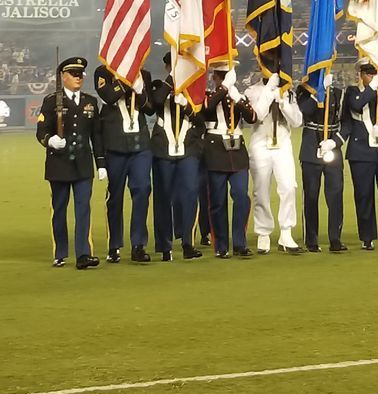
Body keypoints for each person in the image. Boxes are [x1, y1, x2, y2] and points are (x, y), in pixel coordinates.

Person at [36, 56, 106, 269]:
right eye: (74, 74)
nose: (78, 78)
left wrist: (101, 163)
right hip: (59, 164)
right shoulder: (51, 101)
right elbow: (41, 131)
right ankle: (60, 252)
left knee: (83, 209)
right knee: (59, 209)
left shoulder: (90, 102)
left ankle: (84, 254)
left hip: (83, 163)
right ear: (63, 77)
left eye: (80, 74)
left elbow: (97, 135)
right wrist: (50, 141)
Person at [94, 64, 154, 264]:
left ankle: (138, 244)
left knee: (143, 190)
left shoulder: (143, 74)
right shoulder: (103, 73)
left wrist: (141, 91)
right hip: (115, 146)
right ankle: (114, 245)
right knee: (115, 196)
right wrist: (127, 81)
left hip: (141, 145)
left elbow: (150, 108)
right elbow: (109, 96)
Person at [341, 62, 378, 250]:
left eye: (374, 73)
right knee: (364, 195)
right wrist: (371, 88)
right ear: (360, 75)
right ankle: (367, 236)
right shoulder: (353, 92)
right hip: (361, 153)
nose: (371, 76)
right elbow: (358, 105)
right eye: (367, 73)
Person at [149, 66, 204, 261]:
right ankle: (165, 246)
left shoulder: (194, 89)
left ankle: (188, 242)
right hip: (164, 148)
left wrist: (187, 107)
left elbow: (202, 121)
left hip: (187, 148)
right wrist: (172, 78)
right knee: (163, 197)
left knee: (189, 193)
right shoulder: (160, 87)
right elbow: (155, 101)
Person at [201, 67, 257, 258]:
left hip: (237, 150)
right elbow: (207, 107)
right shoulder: (209, 94)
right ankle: (221, 245)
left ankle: (240, 243)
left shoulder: (236, 95)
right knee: (217, 201)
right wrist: (224, 87)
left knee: (241, 196)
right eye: (221, 76)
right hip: (215, 149)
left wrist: (238, 98)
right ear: (215, 77)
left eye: (226, 76)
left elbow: (252, 117)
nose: (223, 79)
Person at [246, 72, 303, 254]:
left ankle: (286, 232)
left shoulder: (289, 91)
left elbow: (296, 121)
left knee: (288, 187)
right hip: (260, 141)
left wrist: (284, 102)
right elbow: (257, 115)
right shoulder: (252, 91)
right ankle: (263, 232)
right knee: (260, 190)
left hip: (283, 141)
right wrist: (269, 92)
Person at [296, 72, 347, 253]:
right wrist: (317, 92)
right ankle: (311, 240)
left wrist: (336, 141)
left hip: (332, 144)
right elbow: (303, 112)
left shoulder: (339, 94)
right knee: (311, 196)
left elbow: (346, 122)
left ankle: (335, 238)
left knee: (335, 195)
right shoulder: (303, 92)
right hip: (311, 147)